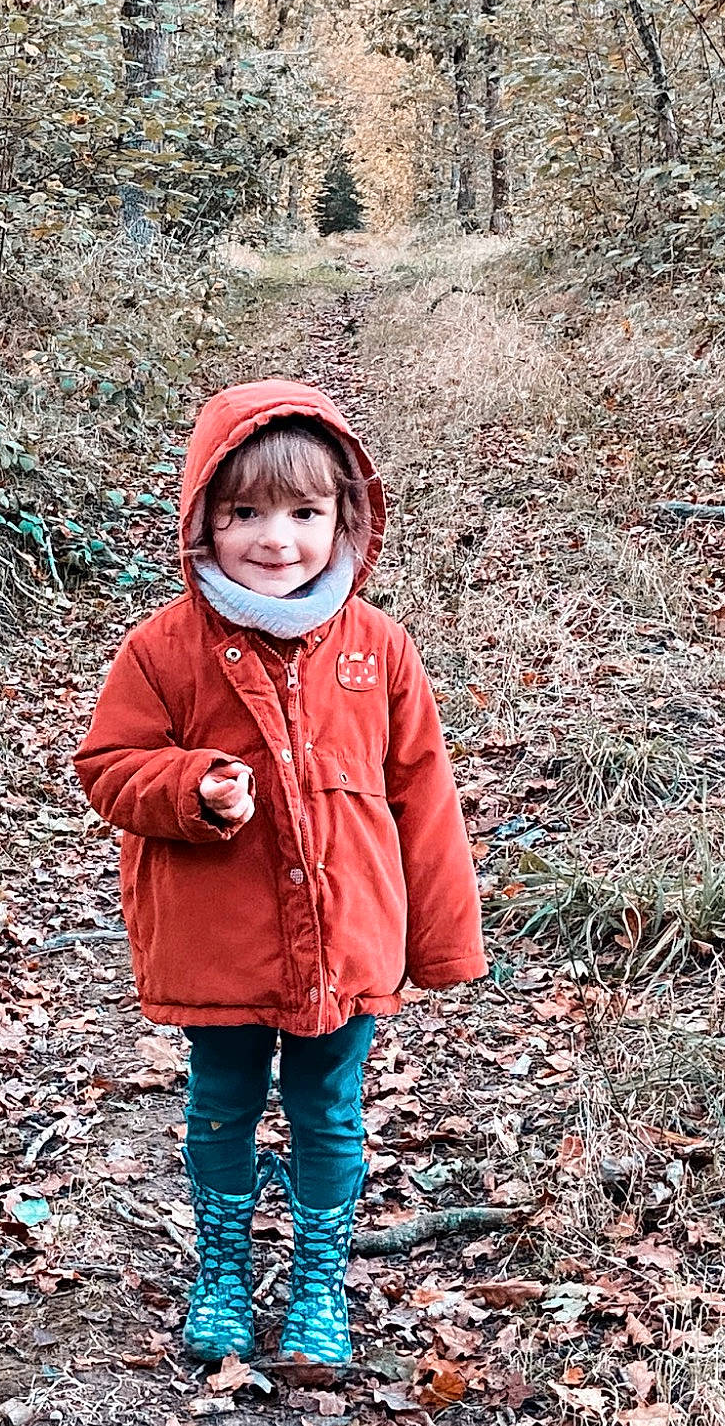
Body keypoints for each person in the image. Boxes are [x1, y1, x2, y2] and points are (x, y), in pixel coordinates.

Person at [72, 380, 487, 1366]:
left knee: (326, 1111)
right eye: (244, 513)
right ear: (202, 519)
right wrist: (188, 786)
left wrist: (439, 943)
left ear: (344, 517)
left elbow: (421, 798)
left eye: (303, 513)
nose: (274, 538)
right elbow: (107, 766)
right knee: (218, 1102)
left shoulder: (376, 649)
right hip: (219, 942)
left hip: (347, 941)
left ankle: (314, 1286)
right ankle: (219, 1272)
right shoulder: (163, 649)